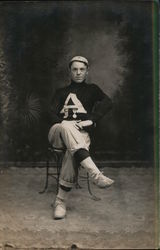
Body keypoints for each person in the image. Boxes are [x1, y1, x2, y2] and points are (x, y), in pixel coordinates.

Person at [48, 56, 114, 219]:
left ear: (87, 71)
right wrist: (65, 122)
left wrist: (92, 119)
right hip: (57, 132)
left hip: (80, 135)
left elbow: (108, 102)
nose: (78, 73)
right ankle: (96, 175)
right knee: (66, 125)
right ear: (70, 72)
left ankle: (60, 202)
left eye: (81, 69)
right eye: (75, 69)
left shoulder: (92, 89)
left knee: (72, 153)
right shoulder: (61, 92)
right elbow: (48, 113)